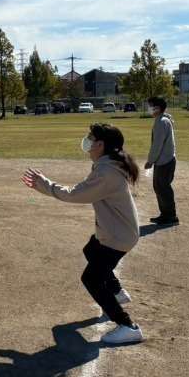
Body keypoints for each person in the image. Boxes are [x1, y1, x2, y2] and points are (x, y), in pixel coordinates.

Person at [22, 123, 144, 345]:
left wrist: (45, 185)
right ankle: (117, 293)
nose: (87, 141)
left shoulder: (106, 171)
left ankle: (128, 326)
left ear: (101, 144)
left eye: (91, 137)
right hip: (116, 231)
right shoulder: (106, 165)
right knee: (91, 249)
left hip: (117, 236)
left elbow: (75, 195)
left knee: (91, 279)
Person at [145, 96, 178, 226]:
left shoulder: (161, 122)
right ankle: (165, 214)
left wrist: (150, 161)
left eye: (150, 105)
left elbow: (157, 145)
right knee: (159, 187)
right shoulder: (161, 120)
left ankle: (170, 216)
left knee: (163, 188)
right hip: (164, 160)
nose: (148, 108)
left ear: (157, 108)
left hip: (165, 161)